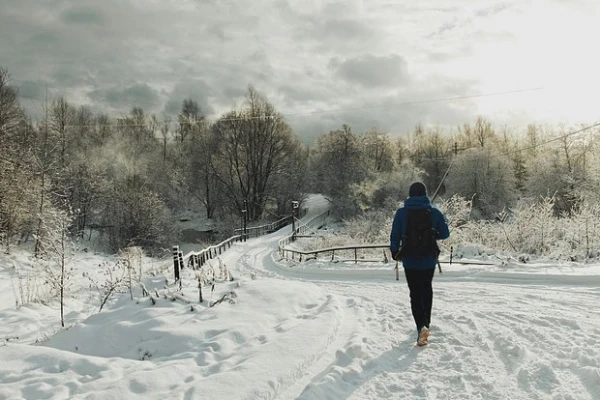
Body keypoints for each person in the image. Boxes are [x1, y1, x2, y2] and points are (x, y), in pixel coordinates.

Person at [389, 182, 450, 346]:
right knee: (426, 290)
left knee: (415, 293)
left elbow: (394, 235)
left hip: (409, 259)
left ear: (410, 195)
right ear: (425, 194)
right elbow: (445, 233)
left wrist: (394, 251)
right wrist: (432, 231)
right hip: (428, 259)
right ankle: (426, 325)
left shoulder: (401, 213)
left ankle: (420, 326)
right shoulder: (434, 212)